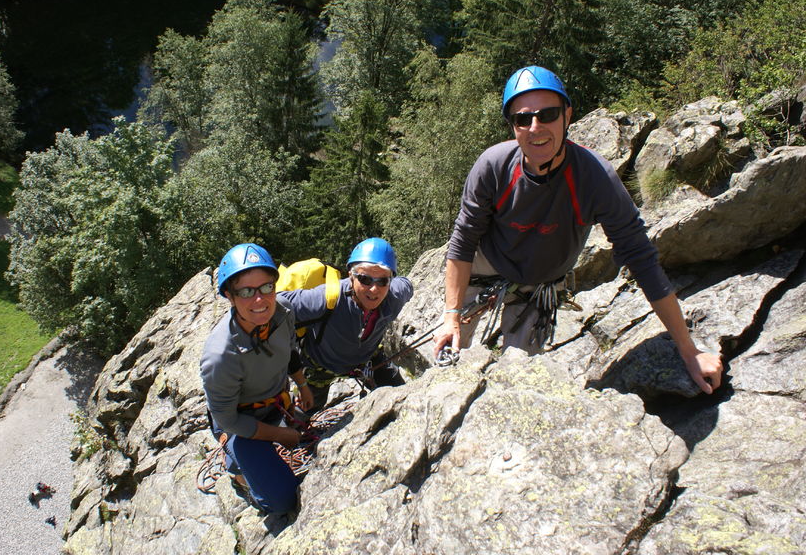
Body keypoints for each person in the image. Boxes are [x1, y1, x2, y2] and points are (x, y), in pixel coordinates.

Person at [432, 65, 723, 394]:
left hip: (539, 282)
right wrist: (451, 314)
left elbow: (641, 259)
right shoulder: (493, 166)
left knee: (519, 381)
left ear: (567, 115)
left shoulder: (594, 177)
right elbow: (463, 242)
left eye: (548, 114)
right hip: (487, 265)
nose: (535, 127)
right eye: (522, 119)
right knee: (449, 353)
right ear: (512, 126)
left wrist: (689, 350)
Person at [200, 243, 313, 514]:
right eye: (247, 292)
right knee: (282, 503)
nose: (260, 299)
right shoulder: (220, 356)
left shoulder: (282, 312)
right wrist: (282, 435)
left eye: (266, 287)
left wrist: (303, 385)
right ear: (229, 296)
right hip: (241, 425)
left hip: (275, 403)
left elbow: (290, 352)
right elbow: (228, 420)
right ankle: (237, 472)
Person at [279, 238, 414, 409]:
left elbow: (407, 285)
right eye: (365, 279)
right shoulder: (327, 298)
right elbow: (277, 303)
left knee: (403, 399)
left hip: (368, 358)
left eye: (382, 281)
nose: (374, 289)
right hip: (320, 367)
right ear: (351, 275)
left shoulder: (394, 297)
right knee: (303, 414)